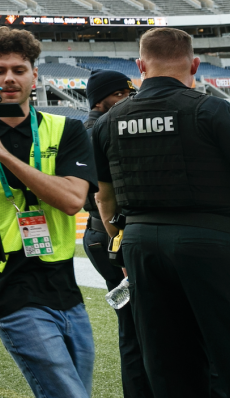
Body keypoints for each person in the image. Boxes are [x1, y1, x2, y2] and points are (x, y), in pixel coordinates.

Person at [0, 26, 96, 398]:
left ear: (34, 75)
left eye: (19, 69)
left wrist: (3, 156)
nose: (8, 78)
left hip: (62, 283)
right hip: (6, 284)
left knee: (78, 388)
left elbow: (73, 200)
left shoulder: (66, 129)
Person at [93, 27, 230, 396]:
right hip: (213, 243)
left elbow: (104, 199)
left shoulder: (107, 121)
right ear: (195, 64)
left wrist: (122, 242)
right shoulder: (210, 108)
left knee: (166, 363)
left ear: (140, 65)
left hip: (140, 245)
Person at [80, 70, 150, 398]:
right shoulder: (98, 129)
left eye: (129, 92)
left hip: (105, 233)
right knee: (136, 329)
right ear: (100, 98)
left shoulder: (101, 126)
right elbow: (100, 196)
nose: (128, 98)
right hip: (110, 233)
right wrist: (118, 246)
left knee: (137, 326)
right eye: (120, 94)